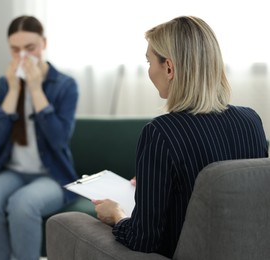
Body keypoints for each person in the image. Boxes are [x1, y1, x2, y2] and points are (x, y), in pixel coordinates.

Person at [92, 16, 269, 258]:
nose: (149, 71)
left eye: (149, 61)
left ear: (169, 68)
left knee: (65, 222)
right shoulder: (252, 121)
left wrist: (116, 215)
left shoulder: (160, 132)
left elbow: (144, 239)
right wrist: (152, 181)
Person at [0, 15, 79, 260]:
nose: (23, 56)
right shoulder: (2, 86)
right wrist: (13, 91)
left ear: (43, 43)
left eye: (30, 48)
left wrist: (35, 89)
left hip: (52, 174)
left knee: (23, 205)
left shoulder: (65, 86)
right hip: (11, 171)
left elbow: (59, 139)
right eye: (15, 49)